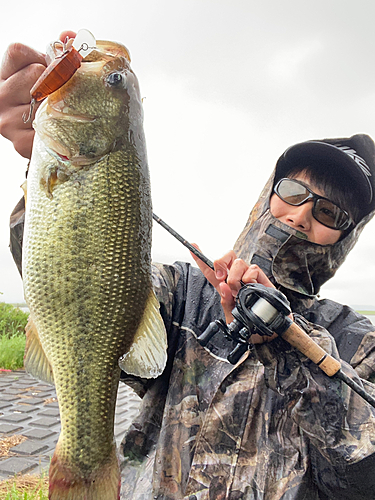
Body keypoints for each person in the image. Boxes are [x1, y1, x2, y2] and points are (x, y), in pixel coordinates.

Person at [1, 35, 375, 500]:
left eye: (330, 214)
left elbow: (360, 479)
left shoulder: (356, 344)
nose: (301, 216)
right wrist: (36, 177)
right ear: (268, 195)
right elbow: (80, 284)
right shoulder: (185, 295)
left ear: (347, 237)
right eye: (294, 193)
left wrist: (289, 347)